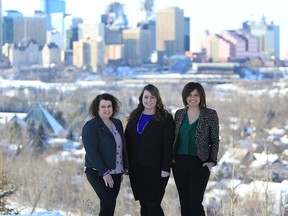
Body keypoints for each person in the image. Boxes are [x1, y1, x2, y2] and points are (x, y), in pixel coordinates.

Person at [125, 84, 175, 216]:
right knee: (143, 203)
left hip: (157, 169)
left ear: (157, 99)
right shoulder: (135, 116)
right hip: (137, 168)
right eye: (146, 97)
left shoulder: (165, 118)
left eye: (152, 97)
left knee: (153, 203)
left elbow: (168, 144)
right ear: (141, 98)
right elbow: (127, 142)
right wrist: (126, 165)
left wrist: (165, 167)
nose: (149, 100)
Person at [172, 82, 220, 216]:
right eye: (189, 95)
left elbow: (215, 140)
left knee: (195, 201)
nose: (192, 98)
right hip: (179, 163)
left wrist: (212, 161)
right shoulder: (179, 114)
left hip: (200, 163)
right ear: (185, 97)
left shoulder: (210, 114)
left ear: (201, 97)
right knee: (184, 202)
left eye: (196, 95)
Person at [81, 93, 129, 216]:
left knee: (110, 204)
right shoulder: (91, 126)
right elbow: (92, 152)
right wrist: (104, 172)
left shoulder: (117, 123)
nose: (107, 109)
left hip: (117, 172)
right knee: (107, 202)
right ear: (97, 109)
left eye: (109, 106)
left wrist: (125, 166)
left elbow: (121, 146)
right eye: (103, 107)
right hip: (97, 171)